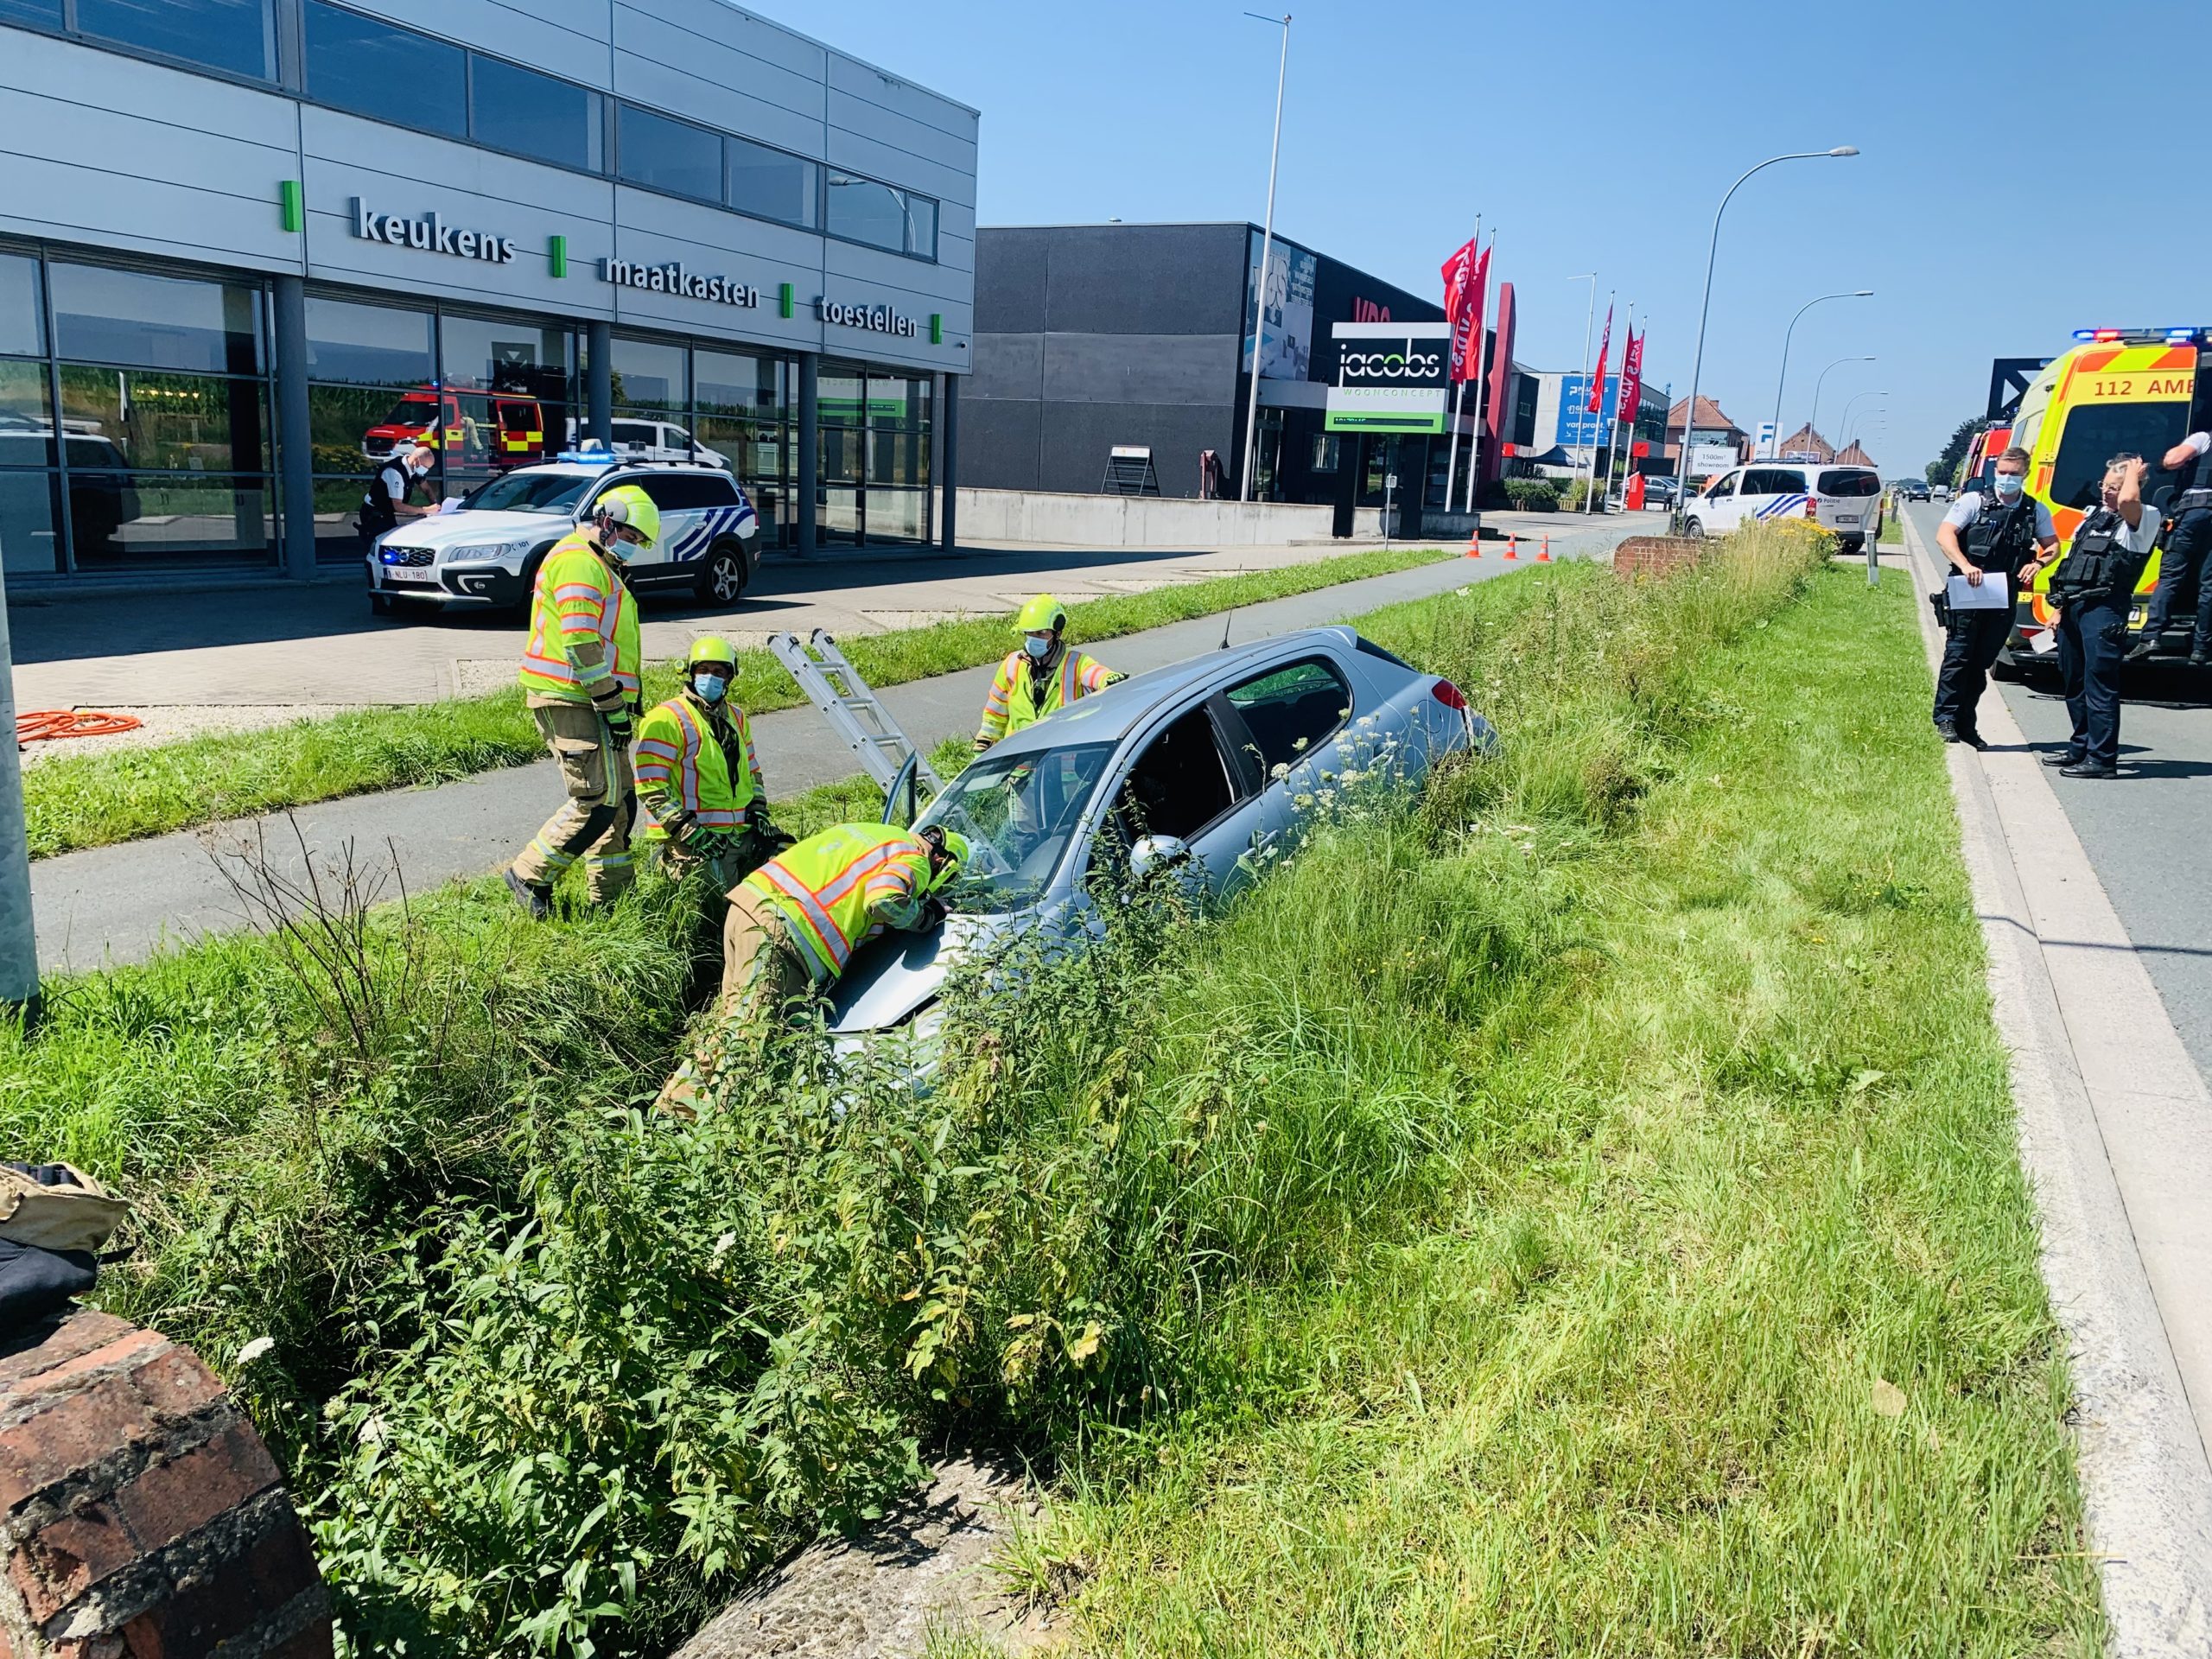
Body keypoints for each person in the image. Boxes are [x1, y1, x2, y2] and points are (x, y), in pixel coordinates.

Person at [656, 821, 968, 1113]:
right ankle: (714, 1132)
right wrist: (928, 915)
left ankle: (673, 1112)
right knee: (755, 1045)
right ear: (943, 860)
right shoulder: (917, 859)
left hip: (748, 906)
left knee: (732, 1027)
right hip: (786, 933)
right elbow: (884, 899)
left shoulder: (876, 833)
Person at [505, 485, 660, 916]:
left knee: (620, 801)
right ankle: (529, 875)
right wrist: (613, 705)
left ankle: (611, 899)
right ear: (606, 521)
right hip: (575, 699)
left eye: (639, 542)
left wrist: (618, 705)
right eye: (630, 536)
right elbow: (580, 642)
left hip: (591, 700)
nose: (633, 547)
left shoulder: (596, 563)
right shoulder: (579, 562)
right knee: (597, 801)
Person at [634, 634, 785, 889]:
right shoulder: (667, 718)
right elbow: (650, 786)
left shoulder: (737, 717)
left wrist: (758, 809)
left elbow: (752, 772)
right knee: (717, 899)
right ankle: (667, 861)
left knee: (786, 859)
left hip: (738, 831)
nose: (710, 677)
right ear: (691, 673)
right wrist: (687, 830)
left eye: (718, 671)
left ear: (730, 678)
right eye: (703, 670)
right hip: (694, 834)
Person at [1932, 446, 2059, 747]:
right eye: (2001, 472)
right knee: (1959, 655)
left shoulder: (2034, 510)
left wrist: (2038, 563)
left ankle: (1966, 724)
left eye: (2013, 474)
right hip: (1968, 590)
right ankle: (1945, 719)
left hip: (2003, 593)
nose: (2005, 479)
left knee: (1982, 662)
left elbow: (2053, 546)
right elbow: (1945, 534)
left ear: (2025, 475)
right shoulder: (1974, 501)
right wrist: (1965, 565)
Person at [2045, 454, 2161, 779]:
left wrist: (2132, 477)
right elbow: (2072, 566)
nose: (2107, 492)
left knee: (2100, 686)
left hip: (2105, 610)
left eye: (2114, 487)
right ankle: (2079, 747)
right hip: (2075, 608)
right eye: (2104, 485)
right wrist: (2059, 609)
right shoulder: (2093, 517)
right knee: (2074, 682)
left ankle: (2102, 759)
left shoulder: (2144, 517)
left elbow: (2128, 500)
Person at [976, 594, 1122, 751]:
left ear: (1057, 634)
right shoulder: (1012, 664)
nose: (1033, 639)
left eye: (1041, 633)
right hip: (1019, 763)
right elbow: (994, 714)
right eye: (1029, 633)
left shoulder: (1076, 663)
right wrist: (983, 747)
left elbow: (1096, 674)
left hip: (1062, 764)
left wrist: (1108, 679)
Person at [2136, 427, 2212, 665]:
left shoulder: (2204, 437)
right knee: (2209, 585)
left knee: (2170, 578)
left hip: (2195, 512)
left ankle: (2150, 637)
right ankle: (2201, 648)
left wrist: (2164, 462)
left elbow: (2174, 460)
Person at [359, 441, 433, 559]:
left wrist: (435, 505)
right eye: (426, 467)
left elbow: (427, 489)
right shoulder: (394, 472)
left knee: (392, 545)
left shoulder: (414, 468)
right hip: (374, 513)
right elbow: (398, 506)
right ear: (417, 461)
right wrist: (426, 510)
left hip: (386, 512)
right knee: (382, 548)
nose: (426, 470)